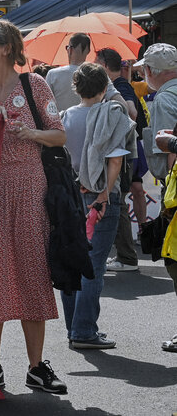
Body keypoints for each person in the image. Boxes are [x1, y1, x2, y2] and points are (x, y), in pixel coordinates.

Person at [0, 19, 68, 395]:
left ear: (7, 47)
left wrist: (32, 133)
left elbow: (59, 135)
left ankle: (36, 367)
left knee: (31, 273)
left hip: (29, 188)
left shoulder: (34, 84)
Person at [58, 63, 135, 351]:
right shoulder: (110, 114)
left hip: (71, 194)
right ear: (105, 88)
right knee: (94, 265)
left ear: (76, 88)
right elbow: (115, 160)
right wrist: (104, 193)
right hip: (101, 195)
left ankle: (73, 327)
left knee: (72, 262)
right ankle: (84, 330)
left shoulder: (65, 117)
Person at [138, 43, 177, 354]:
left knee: (175, 261)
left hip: (175, 188)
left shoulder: (163, 98)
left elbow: (162, 156)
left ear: (150, 72)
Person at [96, 48, 147, 273]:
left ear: (105, 65)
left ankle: (126, 256)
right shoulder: (119, 85)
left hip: (124, 152)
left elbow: (132, 112)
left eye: (97, 62)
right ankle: (125, 255)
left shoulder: (121, 86)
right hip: (127, 152)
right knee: (119, 201)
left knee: (118, 203)